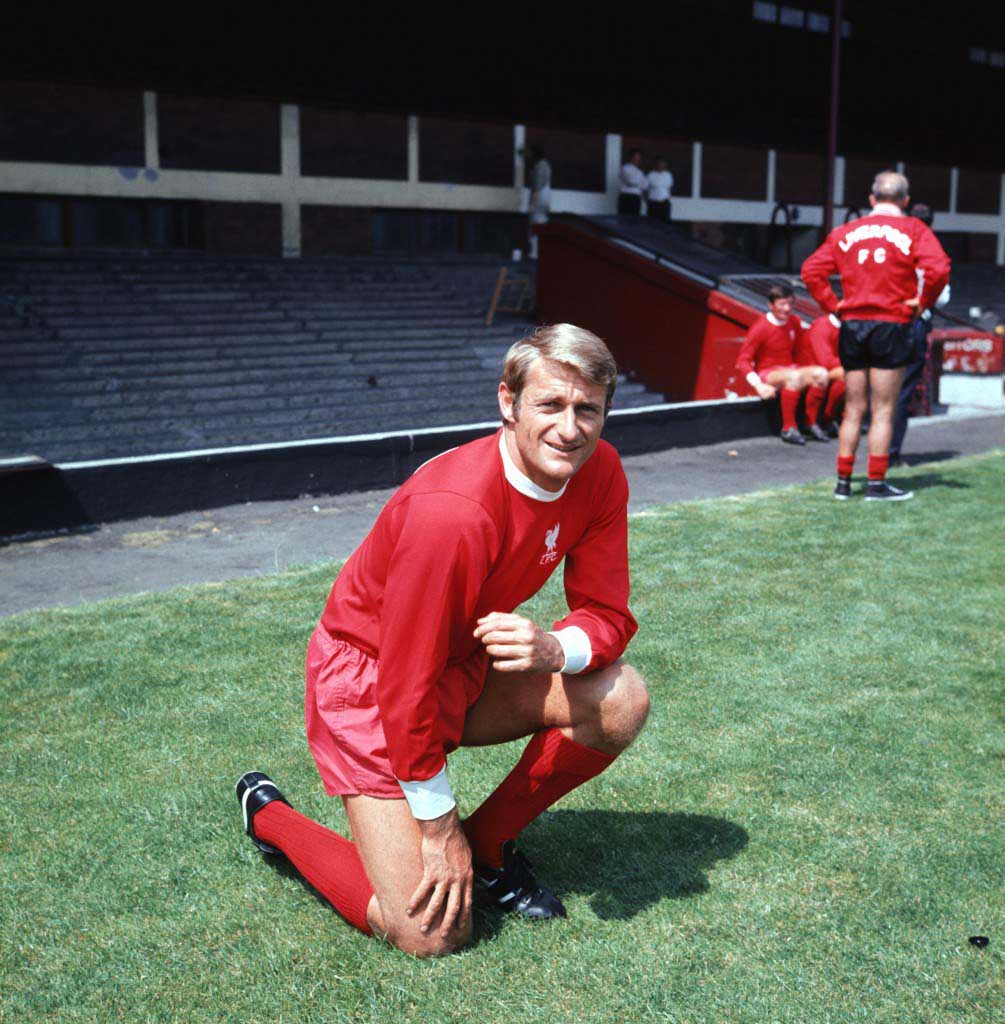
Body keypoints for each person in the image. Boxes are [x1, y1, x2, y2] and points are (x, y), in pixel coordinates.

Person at [235, 324, 650, 958]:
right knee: (430, 935)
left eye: (586, 409)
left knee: (620, 697)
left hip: (458, 661)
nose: (570, 428)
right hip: (371, 682)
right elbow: (404, 683)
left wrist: (554, 650)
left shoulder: (601, 472)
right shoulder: (452, 512)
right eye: (550, 405)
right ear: (508, 404)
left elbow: (608, 612)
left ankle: (487, 848)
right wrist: (437, 829)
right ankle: (270, 817)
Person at [802, 171, 951, 500]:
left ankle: (842, 483)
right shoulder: (914, 228)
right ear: (906, 201)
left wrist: (834, 305)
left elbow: (810, 271)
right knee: (883, 409)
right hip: (891, 322)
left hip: (853, 324)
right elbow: (939, 270)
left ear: (871, 199)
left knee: (853, 408)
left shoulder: (846, 231)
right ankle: (876, 484)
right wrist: (922, 303)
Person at [889, 202, 951, 464]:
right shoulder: (930, 248)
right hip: (913, 323)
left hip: (882, 320)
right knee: (901, 392)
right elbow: (943, 297)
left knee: (879, 391)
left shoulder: (891, 244)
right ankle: (890, 455)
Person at [735, 283, 830, 444]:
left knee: (821, 374)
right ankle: (788, 428)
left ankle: (810, 422)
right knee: (794, 377)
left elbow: (801, 352)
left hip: (790, 369)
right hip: (768, 372)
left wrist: (808, 371)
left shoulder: (794, 321)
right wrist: (758, 385)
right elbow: (742, 361)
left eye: (790, 303)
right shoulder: (761, 327)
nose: (787, 308)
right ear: (771, 306)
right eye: (782, 304)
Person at [797, 313, 846, 437]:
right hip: (809, 367)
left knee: (858, 373)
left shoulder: (846, 326)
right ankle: (812, 421)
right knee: (847, 373)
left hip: (828, 368)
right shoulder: (822, 326)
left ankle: (830, 417)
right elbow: (825, 360)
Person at [527, 145, 552, 260]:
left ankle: (534, 252)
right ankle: (542, 250)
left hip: (539, 197)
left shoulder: (538, 167)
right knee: (543, 223)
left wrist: (531, 205)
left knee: (535, 224)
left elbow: (536, 188)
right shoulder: (547, 165)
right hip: (546, 195)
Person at [618, 149, 647, 216]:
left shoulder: (640, 171)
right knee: (623, 218)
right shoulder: (625, 168)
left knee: (635, 219)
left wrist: (639, 184)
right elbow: (631, 182)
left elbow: (645, 185)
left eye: (638, 158)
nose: (637, 160)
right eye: (635, 157)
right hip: (626, 197)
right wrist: (640, 183)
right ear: (630, 157)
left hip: (636, 197)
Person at [646, 157, 674, 223]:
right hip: (653, 203)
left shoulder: (668, 175)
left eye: (663, 164)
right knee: (652, 222)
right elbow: (645, 189)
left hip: (664, 203)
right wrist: (648, 200)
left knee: (665, 223)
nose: (661, 166)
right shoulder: (650, 175)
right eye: (659, 164)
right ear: (656, 165)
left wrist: (668, 197)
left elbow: (670, 188)